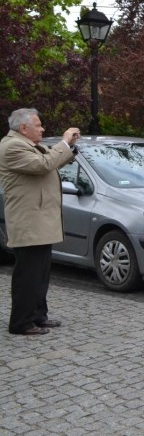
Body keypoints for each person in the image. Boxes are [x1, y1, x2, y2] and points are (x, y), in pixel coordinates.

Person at [0, 108, 80, 335]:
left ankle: (38, 316)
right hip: (28, 222)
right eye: (38, 125)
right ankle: (21, 323)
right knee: (28, 275)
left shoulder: (28, 145)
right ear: (23, 128)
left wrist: (69, 147)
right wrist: (64, 142)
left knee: (40, 273)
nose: (42, 128)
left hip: (39, 221)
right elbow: (43, 165)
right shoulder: (12, 146)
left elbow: (50, 162)